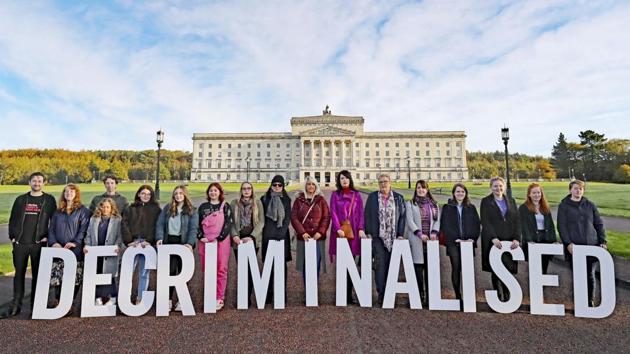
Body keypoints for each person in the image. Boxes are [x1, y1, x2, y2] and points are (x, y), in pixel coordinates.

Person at [4, 172, 57, 318]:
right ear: (29, 182)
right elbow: (12, 219)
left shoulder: (49, 200)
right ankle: (16, 306)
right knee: (19, 275)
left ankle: (36, 306)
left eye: (40, 181)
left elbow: (54, 221)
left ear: (44, 183)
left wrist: (48, 237)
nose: (37, 183)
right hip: (21, 243)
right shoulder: (21, 200)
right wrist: (13, 238)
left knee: (37, 276)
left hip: (38, 244)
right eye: (34, 181)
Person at [557, 180, 606, 307]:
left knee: (590, 274)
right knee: (578, 274)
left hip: (591, 245)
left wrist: (602, 241)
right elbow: (561, 227)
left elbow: (598, 224)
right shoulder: (563, 206)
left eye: (580, 189)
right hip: (574, 247)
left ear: (583, 190)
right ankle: (580, 301)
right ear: (570, 190)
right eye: (575, 188)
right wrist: (568, 243)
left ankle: (590, 300)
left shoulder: (590, 205)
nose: (578, 191)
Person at [48, 184, 90, 314]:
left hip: (75, 250)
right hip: (59, 248)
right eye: (66, 192)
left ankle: (70, 302)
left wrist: (75, 242)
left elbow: (83, 230)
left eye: (71, 192)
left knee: (75, 277)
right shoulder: (57, 211)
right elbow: (51, 229)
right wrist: (54, 242)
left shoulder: (83, 211)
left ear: (76, 194)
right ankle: (58, 300)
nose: (68, 194)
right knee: (58, 275)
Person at [364, 173, 406, 305]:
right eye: (381, 182)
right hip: (378, 237)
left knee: (392, 266)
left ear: (390, 182)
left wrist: (400, 233)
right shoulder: (372, 197)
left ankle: (390, 293)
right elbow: (368, 215)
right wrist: (369, 232)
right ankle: (381, 294)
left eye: (385, 181)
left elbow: (402, 217)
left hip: (394, 237)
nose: (383, 184)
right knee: (380, 266)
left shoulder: (399, 198)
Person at [156, 185, 198, 311]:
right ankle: (168, 299)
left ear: (185, 195)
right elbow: (160, 224)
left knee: (183, 272)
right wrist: (159, 238)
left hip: (183, 243)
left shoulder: (192, 210)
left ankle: (181, 299)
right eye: (176, 193)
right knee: (169, 272)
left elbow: (193, 228)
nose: (178, 195)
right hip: (169, 241)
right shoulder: (167, 208)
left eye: (181, 193)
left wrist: (190, 244)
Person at [480, 177, 520, 302]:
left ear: (504, 187)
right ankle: (498, 295)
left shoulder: (511, 201)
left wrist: (517, 238)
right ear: (491, 187)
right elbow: (485, 221)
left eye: (500, 186)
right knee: (496, 268)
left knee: (507, 268)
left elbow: (517, 221)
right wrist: (493, 237)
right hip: (494, 240)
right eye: (495, 186)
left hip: (509, 239)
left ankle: (507, 295)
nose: (498, 188)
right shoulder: (486, 201)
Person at [440, 183, 480, 307]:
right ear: (453, 193)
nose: (460, 194)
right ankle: (458, 295)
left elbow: (477, 225)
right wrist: (454, 239)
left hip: (468, 243)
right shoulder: (447, 207)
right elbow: (445, 225)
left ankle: (468, 295)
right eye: (458, 192)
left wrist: (472, 238)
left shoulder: (471, 207)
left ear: (465, 193)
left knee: (467, 269)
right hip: (453, 243)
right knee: (456, 268)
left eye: (462, 192)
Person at [329, 170, 366, 304]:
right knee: (342, 264)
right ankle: (342, 294)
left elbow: (361, 213)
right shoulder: (334, 195)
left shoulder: (357, 195)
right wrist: (338, 228)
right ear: (339, 181)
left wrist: (361, 228)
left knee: (351, 264)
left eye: (346, 178)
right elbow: (332, 212)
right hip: (340, 233)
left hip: (353, 233)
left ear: (350, 180)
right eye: (342, 178)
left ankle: (349, 294)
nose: (344, 180)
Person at [121, 185, 161, 305]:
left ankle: (140, 297)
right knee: (128, 272)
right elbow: (124, 224)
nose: (145, 196)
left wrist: (150, 240)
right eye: (143, 193)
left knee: (144, 273)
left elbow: (157, 226)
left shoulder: (156, 209)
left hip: (147, 244)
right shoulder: (130, 208)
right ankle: (124, 297)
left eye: (148, 194)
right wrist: (128, 241)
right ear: (138, 194)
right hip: (133, 243)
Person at [290, 176, 331, 294]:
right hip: (304, 237)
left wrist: (320, 232)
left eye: (313, 184)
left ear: (316, 186)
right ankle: (307, 289)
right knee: (304, 263)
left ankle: (313, 287)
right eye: (308, 184)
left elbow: (326, 217)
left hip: (317, 237)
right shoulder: (299, 200)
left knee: (316, 262)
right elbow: (294, 217)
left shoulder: (321, 200)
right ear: (305, 186)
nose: (311, 186)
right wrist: (302, 232)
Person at [404, 180, 440, 307]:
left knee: (430, 270)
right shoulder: (410, 204)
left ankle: (431, 296)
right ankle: (419, 295)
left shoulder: (434, 204)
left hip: (430, 241)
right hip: (417, 239)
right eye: (419, 188)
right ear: (416, 189)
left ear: (427, 190)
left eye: (423, 188)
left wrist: (434, 232)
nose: (421, 190)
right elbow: (410, 221)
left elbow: (437, 221)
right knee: (418, 269)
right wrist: (419, 234)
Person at [198, 182, 233, 311]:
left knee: (221, 269)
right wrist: (201, 236)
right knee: (207, 269)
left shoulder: (225, 206)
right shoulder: (203, 207)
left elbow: (228, 223)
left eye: (215, 190)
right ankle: (209, 295)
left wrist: (219, 238)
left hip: (221, 241)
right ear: (208, 193)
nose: (213, 193)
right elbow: (198, 223)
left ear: (220, 192)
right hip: (205, 241)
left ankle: (219, 297)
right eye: (211, 191)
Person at [230, 181, 265, 305]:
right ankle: (241, 296)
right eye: (244, 188)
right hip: (238, 240)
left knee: (250, 268)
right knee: (242, 269)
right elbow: (231, 221)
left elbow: (261, 221)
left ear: (252, 190)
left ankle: (247, 297)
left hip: (252, 240)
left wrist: (252, 236)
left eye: (249, 188)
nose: (246, 191)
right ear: (241, 190)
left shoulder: (257, 203)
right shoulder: (234, 203)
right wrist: (234, 236)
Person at [84, 198, 122, 306]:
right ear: (100, 207)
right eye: (103, 206)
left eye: (108, 207)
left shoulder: (117, 220)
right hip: (95, 251)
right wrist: (87, 245)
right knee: (97, 273)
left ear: (111, 208)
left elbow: (120, 236)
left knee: (110, 275)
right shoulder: (93, 219)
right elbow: (88, 235)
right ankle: (98, 297)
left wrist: (118, 246)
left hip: (110, 252)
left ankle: (112, 297)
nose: (105, 209)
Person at [260, 175, 292, 305]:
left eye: (280, 185)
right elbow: (262, 218)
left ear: (283, 186)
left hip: (282, 235)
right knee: (268, 265)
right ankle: (268, 293)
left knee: (281, 266)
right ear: (271, 186)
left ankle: (281, 292)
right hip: (268, 234)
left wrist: (281, 233)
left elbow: (287, 218)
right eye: (275, 185)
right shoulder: (264, 199)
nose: (277, 187)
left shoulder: (287, 200)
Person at [519, 183, 557, 274]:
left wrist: (553, 240)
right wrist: (528, 240)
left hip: (546, 239)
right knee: (534, 268)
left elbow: (551, 225)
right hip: (532, 239)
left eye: (538, 192)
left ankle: (542, 287)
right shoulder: (523, 208)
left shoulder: (545, 207)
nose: (537, 195)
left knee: (544, 267)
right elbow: (523, 226)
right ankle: (534, 287)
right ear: (529, 194)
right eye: (534, 193)